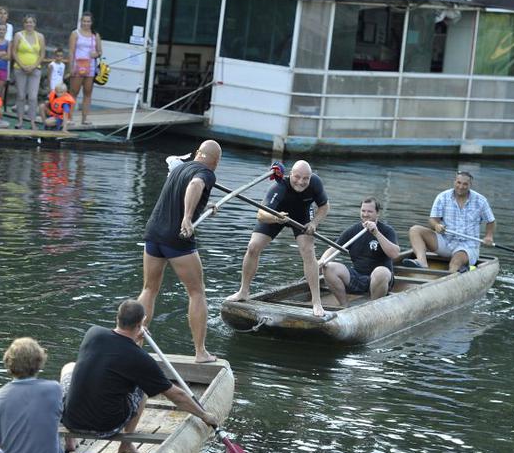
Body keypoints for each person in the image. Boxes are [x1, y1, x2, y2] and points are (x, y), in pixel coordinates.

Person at [60, 300, 219, 453]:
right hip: (106, 426)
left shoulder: (93, 333)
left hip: (72, 420)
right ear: (141, 323)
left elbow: (118, 350)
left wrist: (135, 339)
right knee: (141, 388)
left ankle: (70, 440)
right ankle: (126, 445)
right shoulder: (140, 358)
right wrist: (204, 415)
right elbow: (176, 395)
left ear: (118, 318)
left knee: (68, 367)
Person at [138, 141, 221, 363]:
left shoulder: (179, 168)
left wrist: (205, 205)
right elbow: (194, 185)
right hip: (176, 239)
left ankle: (134, 342)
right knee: (197, 292)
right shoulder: (206, 173)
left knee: (149, 288)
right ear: (217, 162)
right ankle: (201, 352)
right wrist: (187, 217)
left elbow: (183, 191)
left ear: (196, 154)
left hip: (153, 233)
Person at [226, 160, 330, 316]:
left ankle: (317, 302)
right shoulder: (279, 186)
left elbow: (325, 206)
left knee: (308, 252)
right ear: (290, 174)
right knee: (253, 247)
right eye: (297, 177)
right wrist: (276, 218)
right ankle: (243, 291)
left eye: (305, 178)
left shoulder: (315, 183)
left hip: (302, 217)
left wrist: (314, 223)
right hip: (275, 215)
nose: (301, 182)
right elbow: (261, 215)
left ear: (310, 177)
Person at [406, 170, 496, 273]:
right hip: (445, 241)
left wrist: (489, 236)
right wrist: (436, 226)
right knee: (415, 230)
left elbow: (491, 221)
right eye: (459, 182)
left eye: (465, 184)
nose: (461, 187)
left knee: (455, 262)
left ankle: (451, 278)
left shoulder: (481, 201)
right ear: (454, 182)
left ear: (470, 185)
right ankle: (422, 263)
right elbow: (432, 220)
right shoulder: (442, 197)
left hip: (467, 246)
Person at [320, 198, 400, 306]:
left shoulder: (387, 230)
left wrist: (376, 233)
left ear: (377, 213)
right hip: (358, 275)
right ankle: (344, 306)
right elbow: (334, 248)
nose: (365, 214)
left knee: (380, 272)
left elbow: (394, 254)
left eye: (369, 211)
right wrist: (321, 261)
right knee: (328, 267)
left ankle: (373, 307)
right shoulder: (353, 230)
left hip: (380, 278)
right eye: (363, 211)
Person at [67, 12, 101, 125]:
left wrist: (95, 54)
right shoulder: (75, 34)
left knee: (88, 92)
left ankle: (84, 118)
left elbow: (100, 52)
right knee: (73, 92)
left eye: (88, 21)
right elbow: (71, 51)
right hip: (78, 66)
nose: (86, 23)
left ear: (91, 23)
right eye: (84, 21)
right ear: (81, 22)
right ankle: (69, 117)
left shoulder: (95, 35)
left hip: (90, 67)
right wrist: (71, 67)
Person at [12, 14, 45, 130]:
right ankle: (20, 120)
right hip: (20, 67)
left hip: (35, 68)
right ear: (24, 24)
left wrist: (33, 66)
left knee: (32, 96)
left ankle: (32, 121)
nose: (29, 24)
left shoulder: (40, 36)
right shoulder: (18, 35)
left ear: (34, 24)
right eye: (27, 22)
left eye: (31, 22)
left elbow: (42, 54)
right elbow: (14, 52)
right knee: (21, 95)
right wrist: (22, 65)